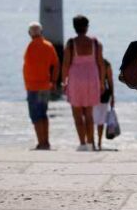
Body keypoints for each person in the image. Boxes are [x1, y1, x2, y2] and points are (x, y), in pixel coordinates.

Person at [62, 15, 105, 151]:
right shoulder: (95, 43)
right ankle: (91, 142)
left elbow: (66, 65)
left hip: (75, 79)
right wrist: (102, 82)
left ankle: (82, 143)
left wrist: (64, 82)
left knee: (77, 113)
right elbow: (101, 64)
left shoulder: (71, 43)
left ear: (74, 27)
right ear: (87, 27)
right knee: (89, 114)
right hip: (92, 79)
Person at [22, 22, 59, 150]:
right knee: (43, 114)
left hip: (33, 87)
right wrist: (54, 81)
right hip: (45, 86)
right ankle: (46, 142)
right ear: (41, 32)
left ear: (29, 34)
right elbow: (56, 64)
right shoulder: (49, 46)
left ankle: (41, 142)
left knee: (36, 116)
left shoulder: (30, 47)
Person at [92, 59, 115, 151]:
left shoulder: (104, 64)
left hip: (97, 93)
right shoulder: (105, 64)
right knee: (99, 120)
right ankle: (97, 143)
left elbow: (110, 81)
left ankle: (96, 143)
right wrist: (112, 96)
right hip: (101, 93)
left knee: (95, 120)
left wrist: (113, 96)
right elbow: (110, 81)